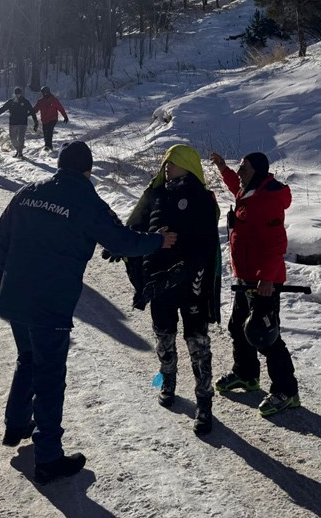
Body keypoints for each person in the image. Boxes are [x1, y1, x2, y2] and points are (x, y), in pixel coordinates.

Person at [0, 141, 178, 484]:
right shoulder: (87, 200)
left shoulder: (29, 191)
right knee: (48, 375)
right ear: (87, 170)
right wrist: (157, 240)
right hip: (51, 302)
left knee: (28, 358)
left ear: (60, 165)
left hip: (15, 296)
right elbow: (121, 241)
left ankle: (16, 424)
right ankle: (48, 458)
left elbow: (0, 236)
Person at [125, 145, 220, 436]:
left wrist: (183, 270)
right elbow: (135, 228)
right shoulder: (154, 195)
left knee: (198, 343)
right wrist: (124, 246)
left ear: (189, 165)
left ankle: (204, 400)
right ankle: (168, 380)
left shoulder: (203, 199)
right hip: (159, 282)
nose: (168, 166)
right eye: (166, 162)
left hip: (192, 283)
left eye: (175, 162)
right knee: (164, 336)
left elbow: (205, 245)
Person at [209, 151, 300, 417]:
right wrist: (222, 168)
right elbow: (235, 185)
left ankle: (287, 391)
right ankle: (247, 375)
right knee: (238, 326)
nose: (239, 172)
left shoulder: (268, 199)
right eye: (239, 167)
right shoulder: (250, 190)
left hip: (263, 281)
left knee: (265, 335)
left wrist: (267, 277)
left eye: (243, 168)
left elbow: (276, 244)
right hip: (246, 275)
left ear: (257, 170)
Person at [0, 87, 38, 159]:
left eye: (19, 94)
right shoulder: (11, 101)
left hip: (22, 123)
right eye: (16, 94)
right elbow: (4, 108)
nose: (18, 95)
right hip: (13, 123)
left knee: (21, 138)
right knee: (13, 138)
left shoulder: (25, 101)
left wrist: (35, 122)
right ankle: (18, 149)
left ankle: (20, 153)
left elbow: (32, 111)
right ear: (14, 94)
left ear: (21, 93)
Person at [32, 86, 68, 152]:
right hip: (44, 119)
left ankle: (48, 145)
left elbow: (60, 108)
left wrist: (65, 116)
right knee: (45, 132)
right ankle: (47, 145)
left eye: (46, 92)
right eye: (44, 93)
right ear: (42, 93)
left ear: (49, 92)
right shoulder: (40, 101)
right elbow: (35, 109)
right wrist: (28, 112)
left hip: (52, 119)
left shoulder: (54, 100)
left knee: (49, 130)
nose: (45, 94)